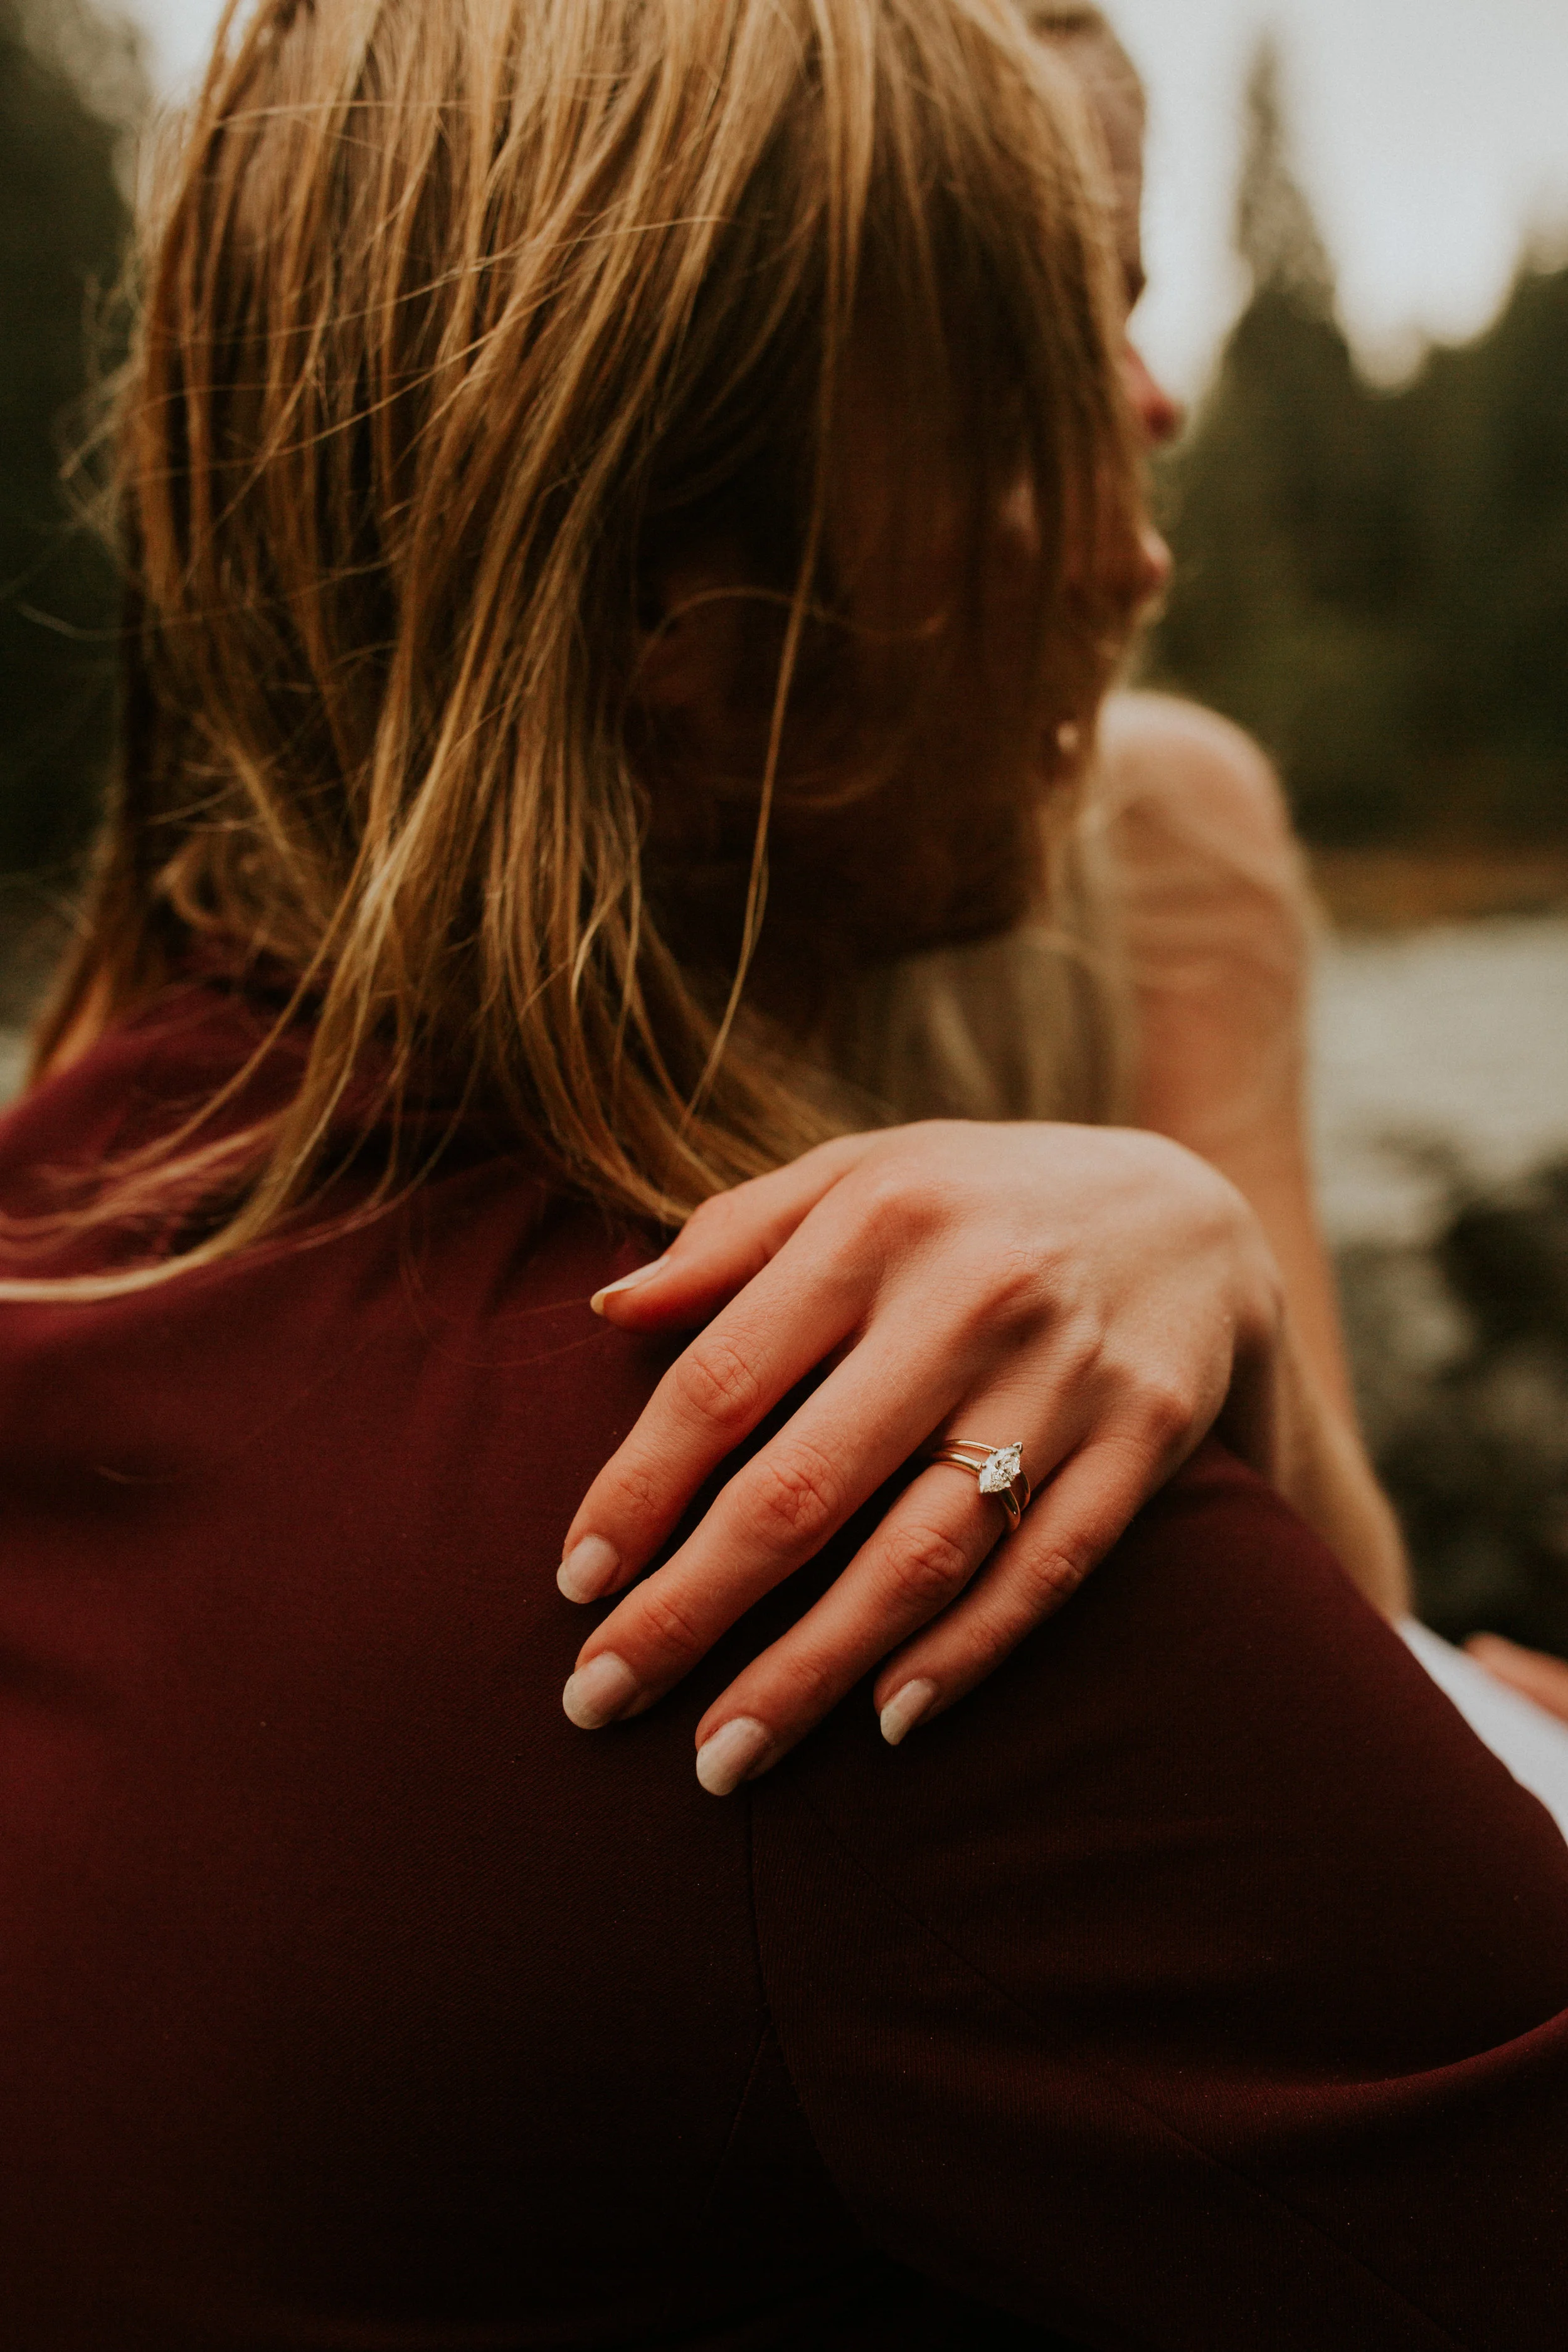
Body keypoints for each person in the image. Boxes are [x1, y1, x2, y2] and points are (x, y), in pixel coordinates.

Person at [3, 0, 1568, 2343]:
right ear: (682, 628)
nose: (1140, 548)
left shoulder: (84, 1225)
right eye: (1040, 382)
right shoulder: (883, 1546)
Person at [551, 0, 1568, 1793]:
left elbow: (1347, 1609)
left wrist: (1201, 1251)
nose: (1159, 388)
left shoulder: (1164, 829)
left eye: (1137, 285)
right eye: (1070, 305)